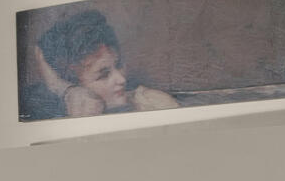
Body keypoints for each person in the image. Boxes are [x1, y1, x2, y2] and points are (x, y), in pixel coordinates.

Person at [32, 8, 179, 119]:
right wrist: (65, 90)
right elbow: (38, 50)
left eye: (119, 65)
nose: (122, 79)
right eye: (104, 75)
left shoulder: (152, 102)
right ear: (76, 86)